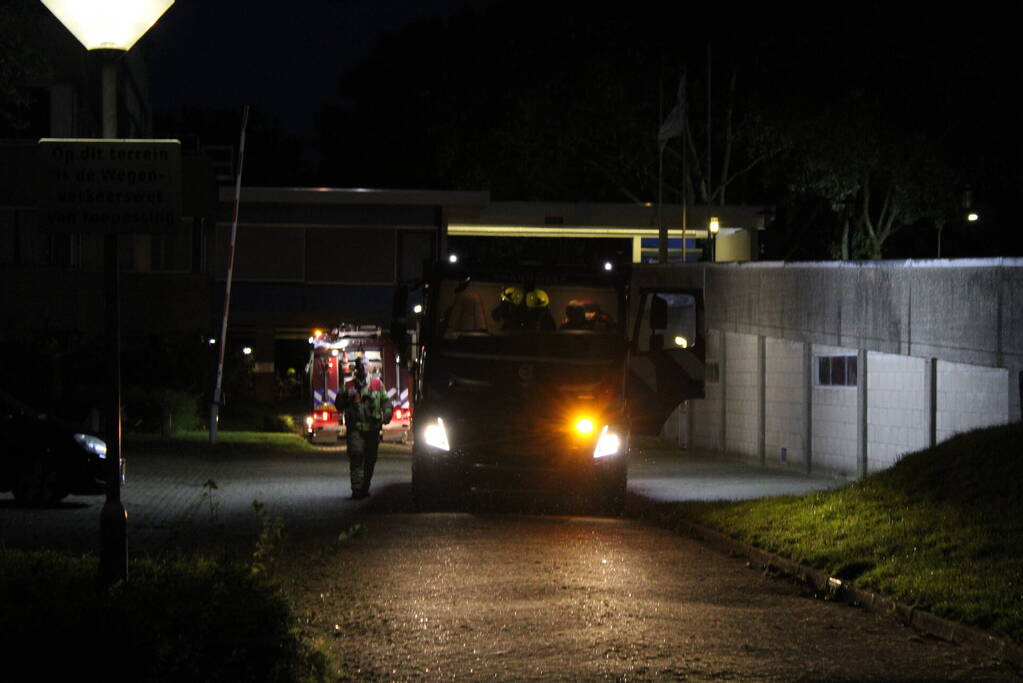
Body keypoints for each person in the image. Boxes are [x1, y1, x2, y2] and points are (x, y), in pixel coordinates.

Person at [335, 355, 392, 499]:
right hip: (355, 430)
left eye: (365, 364)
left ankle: (365, 487)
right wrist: (347, 396)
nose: (363, 367)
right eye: (360, 365)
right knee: (356, 457)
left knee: (370, 460)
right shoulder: (348, 386)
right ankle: (357, 489)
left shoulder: (377, 384)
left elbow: (386, 402)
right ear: (356, 368)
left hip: (372, 430)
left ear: (369, 367)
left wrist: (387, 414)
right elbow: (338, 405)